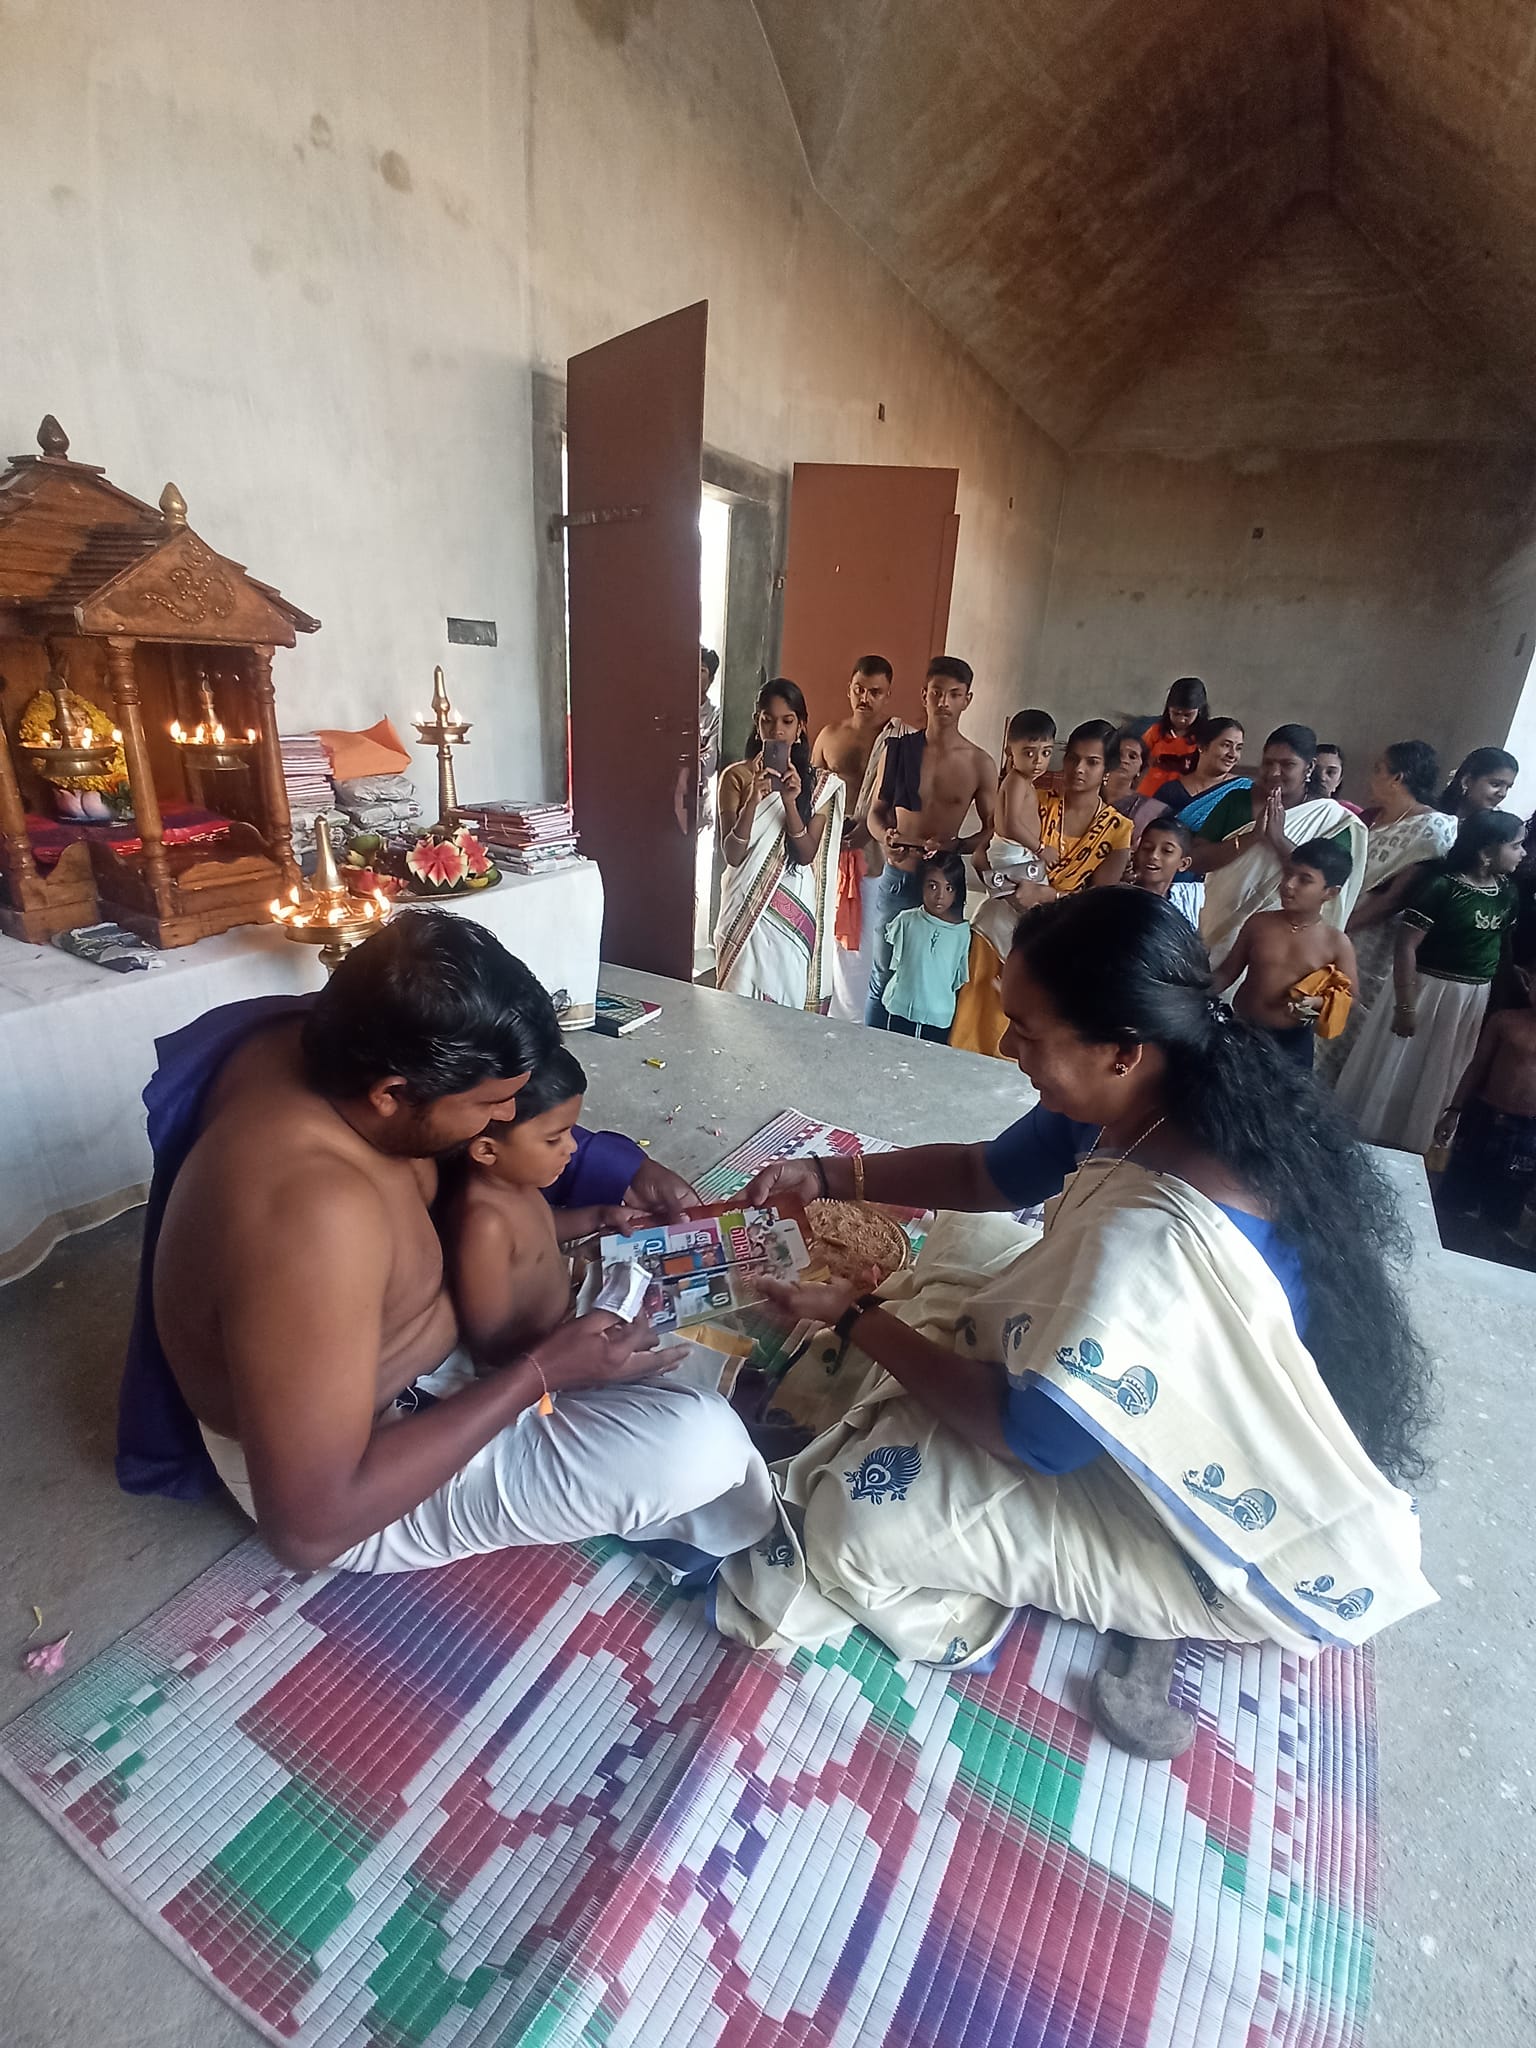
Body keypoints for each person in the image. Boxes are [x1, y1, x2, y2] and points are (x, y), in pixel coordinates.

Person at [726, 890, 1434, 1726]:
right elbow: (986, 1178)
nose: (1002, 1044)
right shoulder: (1142, 1096)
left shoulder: (1148, 1243)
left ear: (1122, 1050)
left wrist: (856, 1317)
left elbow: (1034, 1440)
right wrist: (829, 1174)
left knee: (856, 1521)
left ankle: (1112, 1605)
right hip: (1132, 1379)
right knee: (966, 1245)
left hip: (1195, 1494)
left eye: (1027, 1033)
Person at [128, 914, 774, 1575]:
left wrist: (623, 1170)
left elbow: (500, 1137)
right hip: (362, 1468)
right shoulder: (313, 1215)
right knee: (704, 1449)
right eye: (491, 1104)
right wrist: (540, 1376)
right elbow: (308, 1529)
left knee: (678, 1293)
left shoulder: (347, 1040)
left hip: (423, 1350)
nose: (502, 1119)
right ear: (392, 1095)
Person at [1335, 809, 1525, 1154]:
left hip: (1470, 997)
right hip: (1425, 989)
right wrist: (1405, 1005)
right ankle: (1371, 1140)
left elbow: (1501, 945)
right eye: (1515, 846)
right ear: (1486, 852)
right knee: (1399, 1062)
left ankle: (1419, 1145)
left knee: (1442, 1068)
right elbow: (1406, 945)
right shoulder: (1441, 888)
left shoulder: (1508, 892)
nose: (1522, 853)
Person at [444, 1045, 642, 1364]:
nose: (573, 1147)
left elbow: (539, 1233)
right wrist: (572, 1346)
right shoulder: (484, 1224)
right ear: (486, 1151)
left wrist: (598, 1216)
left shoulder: (515, 1182)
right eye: (554, 1139)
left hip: (571, 1316)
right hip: (539, 1357)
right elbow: (489, 1339)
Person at [866, 657, 997, 1026]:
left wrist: (957, 845)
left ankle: (926, 1059)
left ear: (967, 700)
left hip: (946, 885)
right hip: (902, 873)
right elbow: (877, 812)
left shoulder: (979, 763)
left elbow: (992, 829)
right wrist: (884, 838)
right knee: (885, 973)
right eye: (936, 693)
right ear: (924, 695)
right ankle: (868, 1054)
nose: (944, 702)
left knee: (939, 981)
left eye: (954, 695)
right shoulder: (899, 751)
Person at [1316, 741, 1455, 1084]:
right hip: (1338, 921)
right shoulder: (1371, 818)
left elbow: (1396, 898)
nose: (1372, 776)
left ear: (1398, 777)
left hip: (1375, 937)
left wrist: (1342, 929)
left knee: (1349, 1010)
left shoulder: (1430, 827)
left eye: (1379, 768)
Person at [716, 679, 845, 1010]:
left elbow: (805, 856)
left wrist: (790, 802)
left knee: (783, 1012)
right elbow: (733, 855)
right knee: (736, 1008)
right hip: (744, 906)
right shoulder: (735, 777)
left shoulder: (819, 785)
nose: (777, 730)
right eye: (767, 719)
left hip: (792, 911)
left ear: (801, 726)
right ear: (757, 723)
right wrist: (752, 803)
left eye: (787, 721)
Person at [1196, 724, 1367, 970]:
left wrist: (1278, 839)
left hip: (1285, 943)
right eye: (1268, 763)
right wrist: (1252, 838)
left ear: (1309, 768)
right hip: (1216, 922)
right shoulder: (1238, 800)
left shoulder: (1332, 821)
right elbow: (1198, 858)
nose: (1275, 772)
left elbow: (1326, 883)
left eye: (1287, 765)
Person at [811, 656, 915, 1024]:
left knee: (865, 948)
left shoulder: (902, 741)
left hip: (874, 860)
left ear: (889, 695)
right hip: (828, 854)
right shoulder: (830, 735)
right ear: (849, 688)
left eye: (875, 692)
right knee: (826, 943)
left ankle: (855, 1023)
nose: (865, 698)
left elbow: (906, 802)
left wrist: (872, 826)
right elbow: (814, 794)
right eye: (859, 689)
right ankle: (826, 1014)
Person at [1211, 840, 1358, 1068]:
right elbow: (1227, 973)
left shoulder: (1336, 944)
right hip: (1240, 1030)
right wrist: (1193, 991)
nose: (1289, 884)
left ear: (1330, 892)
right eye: (1288, 873)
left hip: (1290, 1045)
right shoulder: (1259, 923)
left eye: (1304, 880)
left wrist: (1317, 1003)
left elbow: (1350, 998)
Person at [1436, 968, 1536, 1244]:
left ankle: (1488, 1251)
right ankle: (1447, 1242)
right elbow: (1477, 1067)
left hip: (1528, 1129)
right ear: (1530, 984)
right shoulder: (1505, 1022)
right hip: (1485, 1115)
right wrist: (1453, 1111)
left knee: (1506, 1202)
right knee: (1456, 1192)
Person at [881, 850, 972, 1045]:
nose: (940, 896)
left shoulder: (962, 933)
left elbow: (957, 979)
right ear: (920, 886)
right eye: (932, 886)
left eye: (949, 888)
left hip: (939, 1018)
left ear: (957, 891)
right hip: (900, 1009)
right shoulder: (905, 921)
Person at [1036, 720, 1133, 893]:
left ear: (1107, 770)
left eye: (1092, 762)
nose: (1079, 768)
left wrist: (1049, 897)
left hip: (1072, 917)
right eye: (1073, 758)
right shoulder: (1038, 802)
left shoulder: (1117, 828)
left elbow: (1096, 900)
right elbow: (987, 854)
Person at [1158, 715, 1248, 828]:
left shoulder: (1244, 790)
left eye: (1238, 748)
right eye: (1226, 745)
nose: (1232, 754)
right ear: (1202, 746)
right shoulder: (1170, 791)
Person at [1138, 676, 1208, 797]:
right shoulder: (1156, 731)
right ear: (1168, 710)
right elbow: (1140, 756)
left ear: (1199, 711)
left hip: (1184, 794)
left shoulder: (1204, 737)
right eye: (1176, 713)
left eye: (1187, 715)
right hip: (1151, 791)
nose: (1181, 720)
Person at [1131, 814, 1202, 929]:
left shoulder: (1191, 897)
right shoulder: (1119, 899)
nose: (1154, 856)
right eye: (1147, 848)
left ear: (1183, 863)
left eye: (1167, 851)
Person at [1103, 725, 1168, 846]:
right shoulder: (1087, 796)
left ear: (1140, 768)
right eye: (1118, 754)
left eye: (1132, 756)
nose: (1124, 760)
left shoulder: (1151, 810)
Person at [1438, 747, 1519, 819]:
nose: (1503, 794)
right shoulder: (1432, 816)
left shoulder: (1497, 830)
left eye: (1508, 787)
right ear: (1467, 781)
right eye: (1495, 784)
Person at [1314, 742, 1363, 816]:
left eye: (1330, 772)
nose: (1322, 777)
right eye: (1315, 771)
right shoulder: (1293, 809)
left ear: (1339, 781)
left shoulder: (1352, 814)